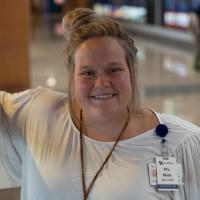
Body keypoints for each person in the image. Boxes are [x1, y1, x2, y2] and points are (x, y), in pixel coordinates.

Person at [0, 8, 200, 200]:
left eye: (114, 70)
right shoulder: (39, 115)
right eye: (88, 73)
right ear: (72, 77)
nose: (102, 83)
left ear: (132, 71)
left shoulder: (182, 143)